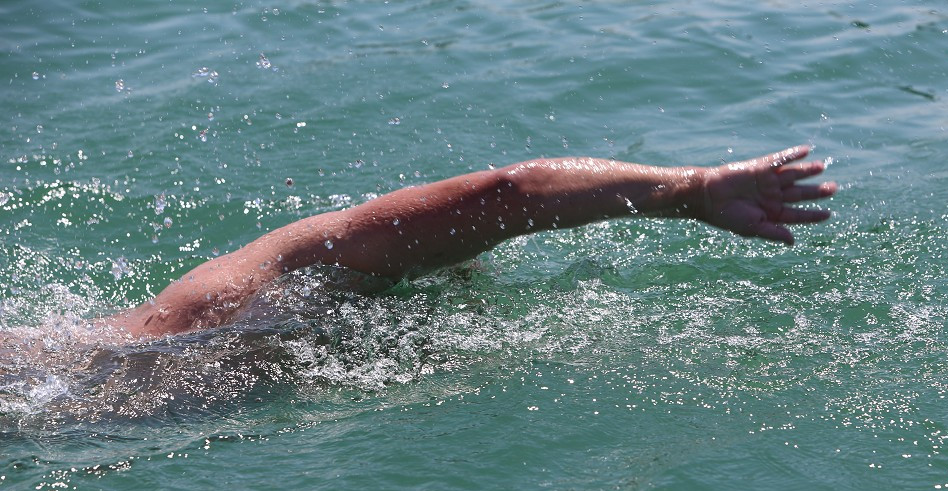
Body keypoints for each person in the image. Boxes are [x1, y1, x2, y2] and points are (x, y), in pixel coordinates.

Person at [96, 145, 836, 340]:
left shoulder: (236, 291)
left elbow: (504, 199)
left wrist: (694, 189)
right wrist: (689, 190)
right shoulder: (231, 301)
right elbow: (507, 196)